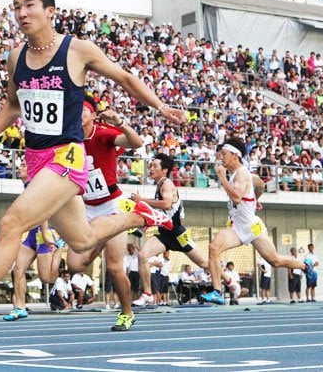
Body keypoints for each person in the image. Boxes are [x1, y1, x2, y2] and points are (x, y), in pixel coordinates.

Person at [0, 0, 183, 326]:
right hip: (36, 159)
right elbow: (14, 104)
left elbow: (125, 78)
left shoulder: (77, 51)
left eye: (29, 5)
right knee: (83, 240)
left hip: (67, 158)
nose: (21, 13)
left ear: (50, 11)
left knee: (11, 223)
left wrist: (160, 106)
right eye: (16, 7)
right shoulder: (16, 57)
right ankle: (140, 216)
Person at [66, 96, 142, 331]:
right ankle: (99, 239)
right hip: (86, 206)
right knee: (75, 264)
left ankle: (127, 313)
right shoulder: (68, 138)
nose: (78, 115)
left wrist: (120, 122)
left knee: (114, 267)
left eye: (83, 111)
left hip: (111, 205)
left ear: (92, 115)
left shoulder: (104, 134)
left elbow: (136, 142)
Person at [201, 138, 308, 305]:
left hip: (251, 226)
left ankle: (304, 266)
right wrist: (254, 199)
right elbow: (260, 184)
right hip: (237, 227)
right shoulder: (242, 174)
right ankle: (216, 291)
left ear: (235, 155)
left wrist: (222, 178)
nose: (221, 157)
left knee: (275, 260)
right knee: (213, 248)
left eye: (224, 154)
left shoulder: (242, 173)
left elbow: (236, 198)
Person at [131, 153, 209, 307]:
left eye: (154, 166)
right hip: (164, 234)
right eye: (151, 165)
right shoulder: (159, 185)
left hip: (178, 234)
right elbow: (163, 212)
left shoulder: (167, 184)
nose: (151, 168)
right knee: (142, 255)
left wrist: (143, 201)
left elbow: (166, 204)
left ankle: (228, 279)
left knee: (203, 263)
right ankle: (147, 294)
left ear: (164, 170)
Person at [2, 162, 65, 322]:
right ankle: (20, 307)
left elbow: (43, 208)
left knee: (46, 279)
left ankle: (60, 246)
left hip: (43, 234)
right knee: (18, 270)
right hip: (31, 235)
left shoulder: (33, 183)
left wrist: (44, 232)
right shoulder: (26, 186)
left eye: (23, 165)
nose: (19, 167)